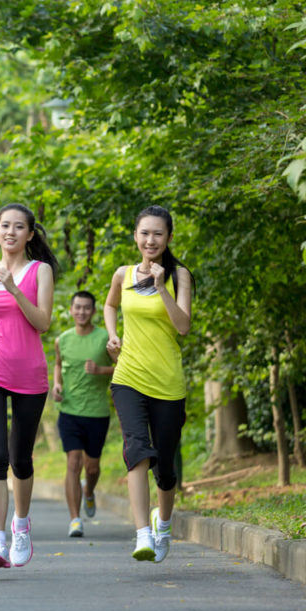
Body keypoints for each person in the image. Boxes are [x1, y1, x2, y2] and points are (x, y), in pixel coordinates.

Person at [0, 204, 58, 569]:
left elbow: (44, 321)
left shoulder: (41, 271)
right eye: (5, 225)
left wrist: (14, 290)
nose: (11, 232)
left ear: (30, 235)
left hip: (29, 374)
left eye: (19, 227)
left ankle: (21, 526)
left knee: (20, 459)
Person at [103, 205, 192, 563]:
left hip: (168, 382)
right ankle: (142, 534)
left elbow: (183, 326)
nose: (150, 240)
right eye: (144, 233)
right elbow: (110, 306)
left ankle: (163, 525)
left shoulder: (179, 275)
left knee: (165, 468)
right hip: (128, 377)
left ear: (168, 237)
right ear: (135, 236)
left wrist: (161, 288)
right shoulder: (122, 274)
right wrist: (112, 336)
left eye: (158, 233)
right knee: (137, 450)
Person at [52, 290, 114, 538]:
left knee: (92, 468)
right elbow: (58, 363)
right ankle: (75, 519)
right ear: (71, 310)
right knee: (73, 462)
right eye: (77, 307)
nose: (81, 312)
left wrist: (101, 370)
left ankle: (89, 492)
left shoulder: (104, 338)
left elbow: (122, 366)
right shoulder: (62, 339)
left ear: (94, 311)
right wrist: (57, 384)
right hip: (69, 410)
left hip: (97, 412)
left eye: (87, 308)